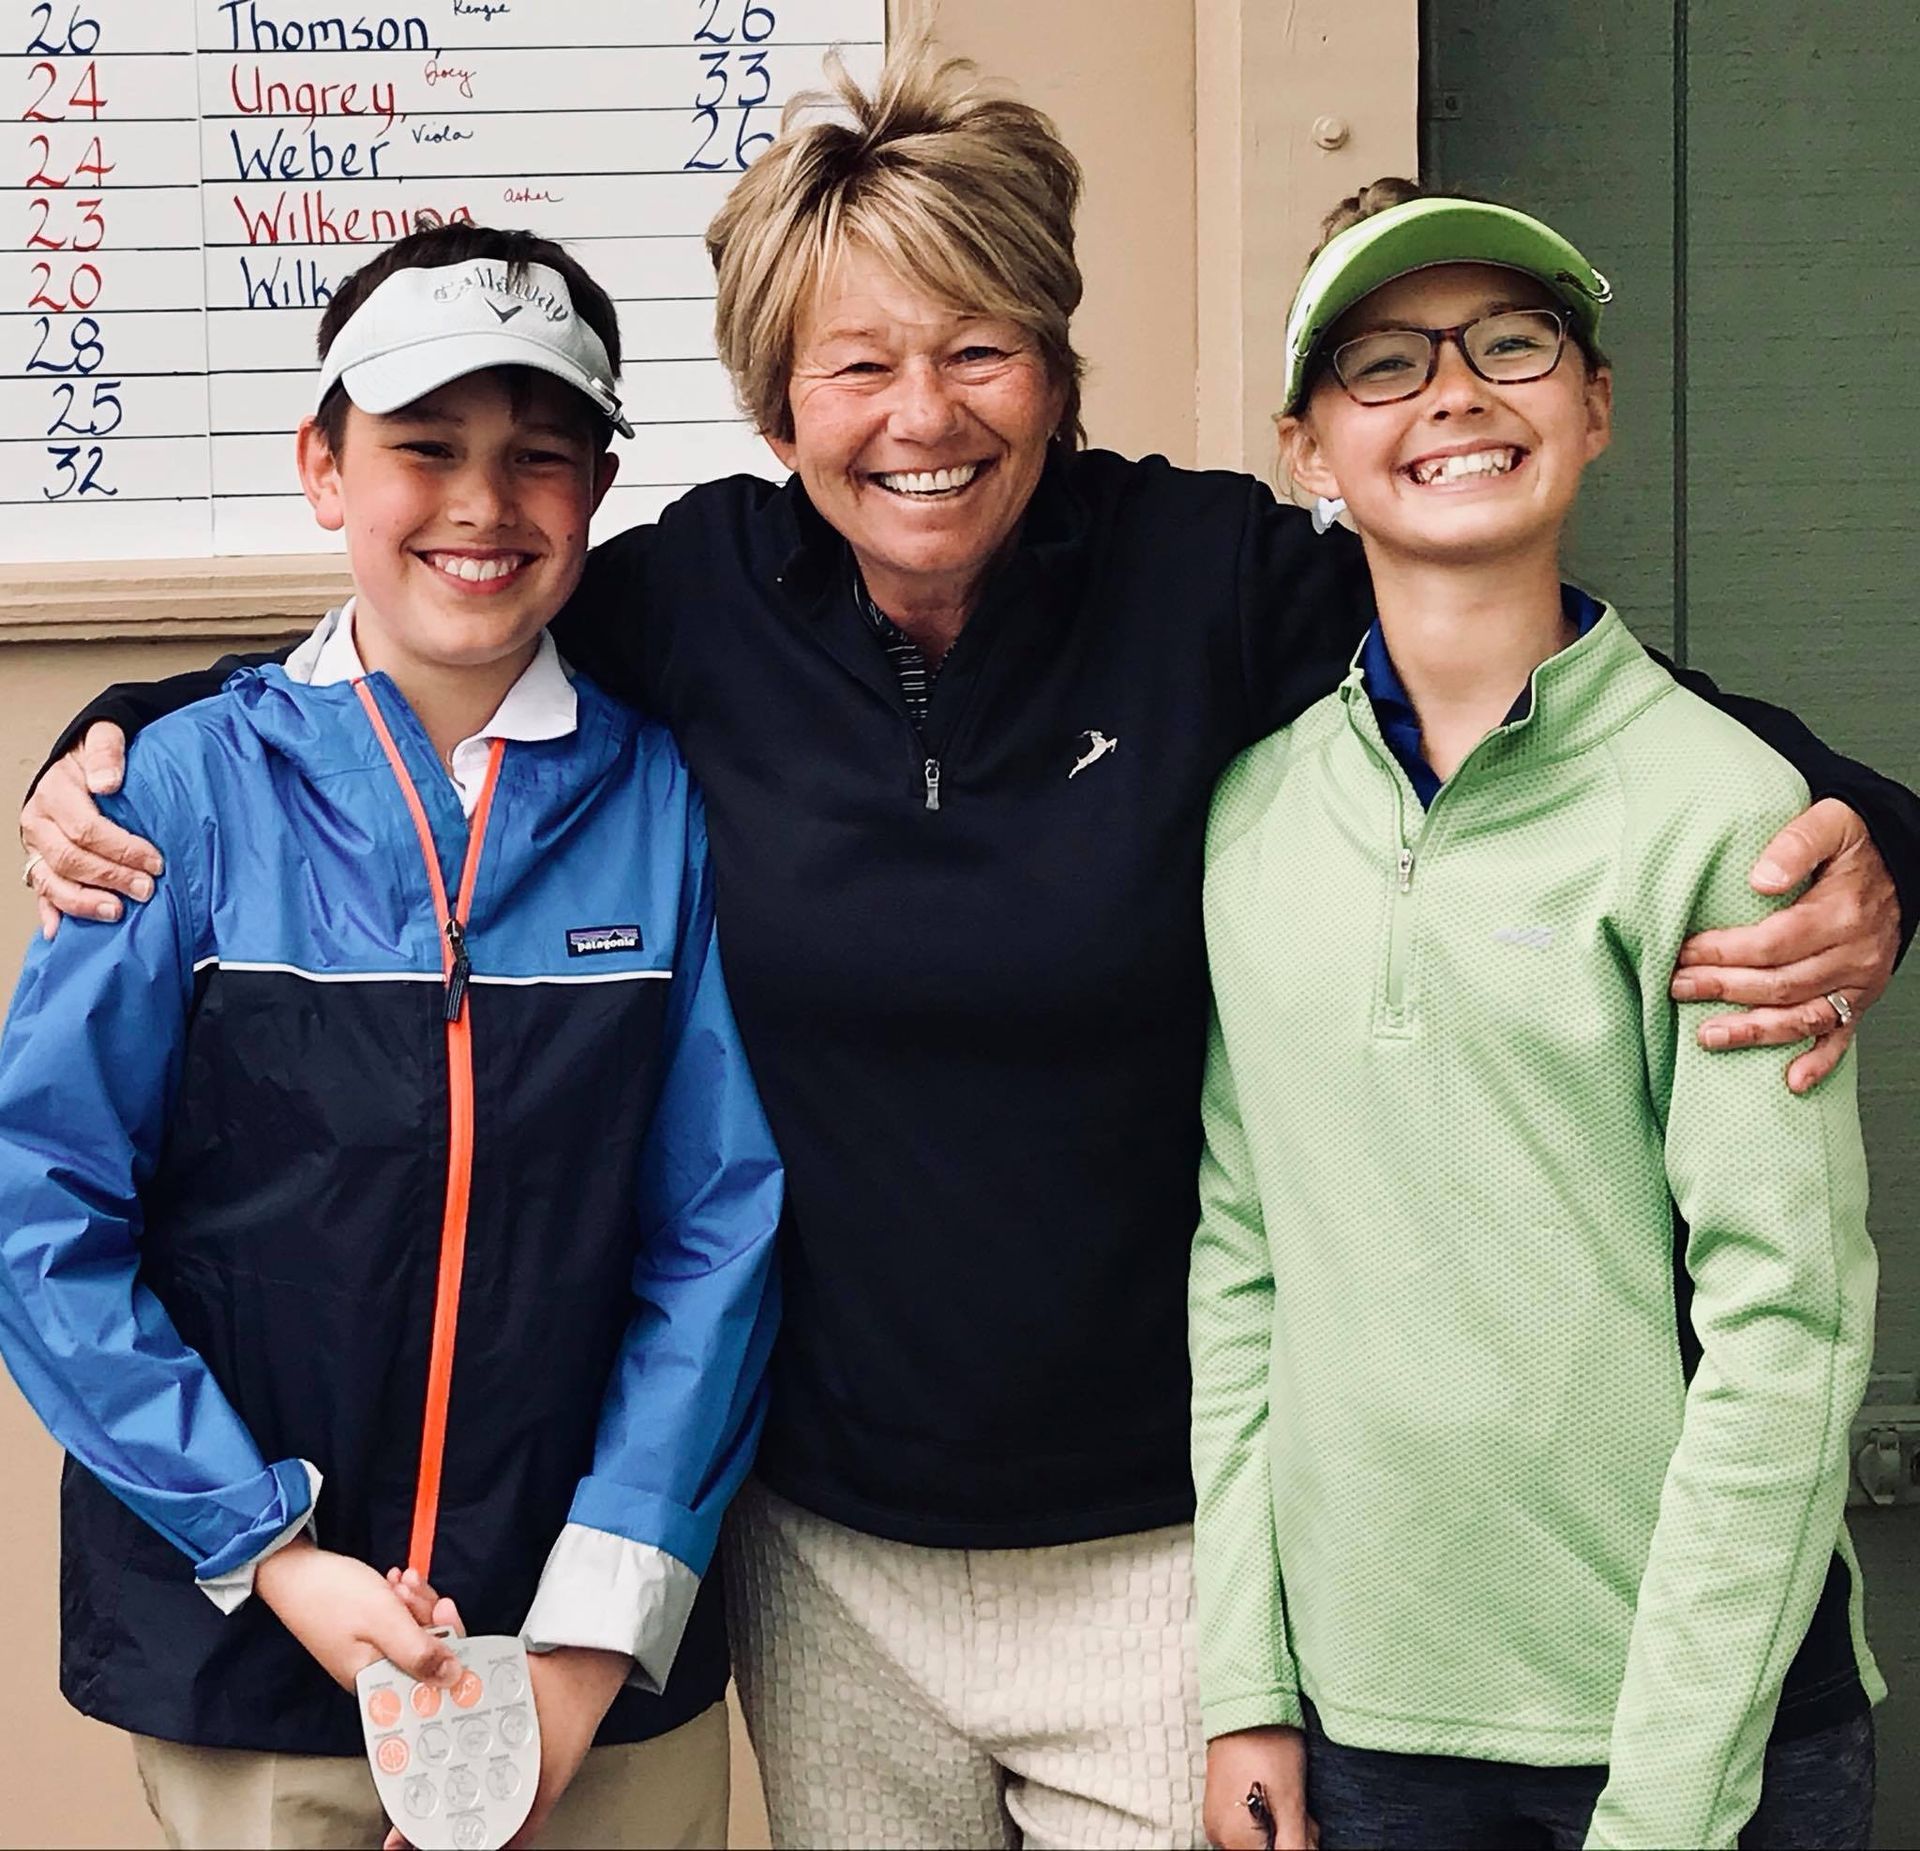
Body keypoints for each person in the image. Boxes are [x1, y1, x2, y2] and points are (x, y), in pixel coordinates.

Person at [15, 49, 1917, 1851]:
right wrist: (114, 749)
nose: (921, 419)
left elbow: (1544, 667)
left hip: (1155, 1543)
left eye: (977, 350)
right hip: (828, 1551)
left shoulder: (1206, 582)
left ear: (1058, 374)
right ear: (778, 410)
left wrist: (1873, 836)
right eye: (856, 366)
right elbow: (423, 634)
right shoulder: (700, 605)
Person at [0, 226, 782, 1850]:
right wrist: (269, 1550)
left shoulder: (669, 803)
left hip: (589, 1677)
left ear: (601, 486)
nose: (482, 505)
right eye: (422, 448)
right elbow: (43, 1207)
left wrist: (589, 1631)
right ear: (324, 467)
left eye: (538, 457)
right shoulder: (172, 797)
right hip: (259, 1660)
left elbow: (718, 1226)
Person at [1192, 184, 1880, 1851]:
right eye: (1384, 362)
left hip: (1691, 1732)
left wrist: (1670, 1789)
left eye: (1513, 343)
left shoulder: (1726, 813)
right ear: (1307, 447)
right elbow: (1243, 1256)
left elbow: (1788, 1326)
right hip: (1368, 1726)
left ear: (1594, 407)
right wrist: (1244, 1683)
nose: (1455, 393)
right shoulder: (1254, 817)